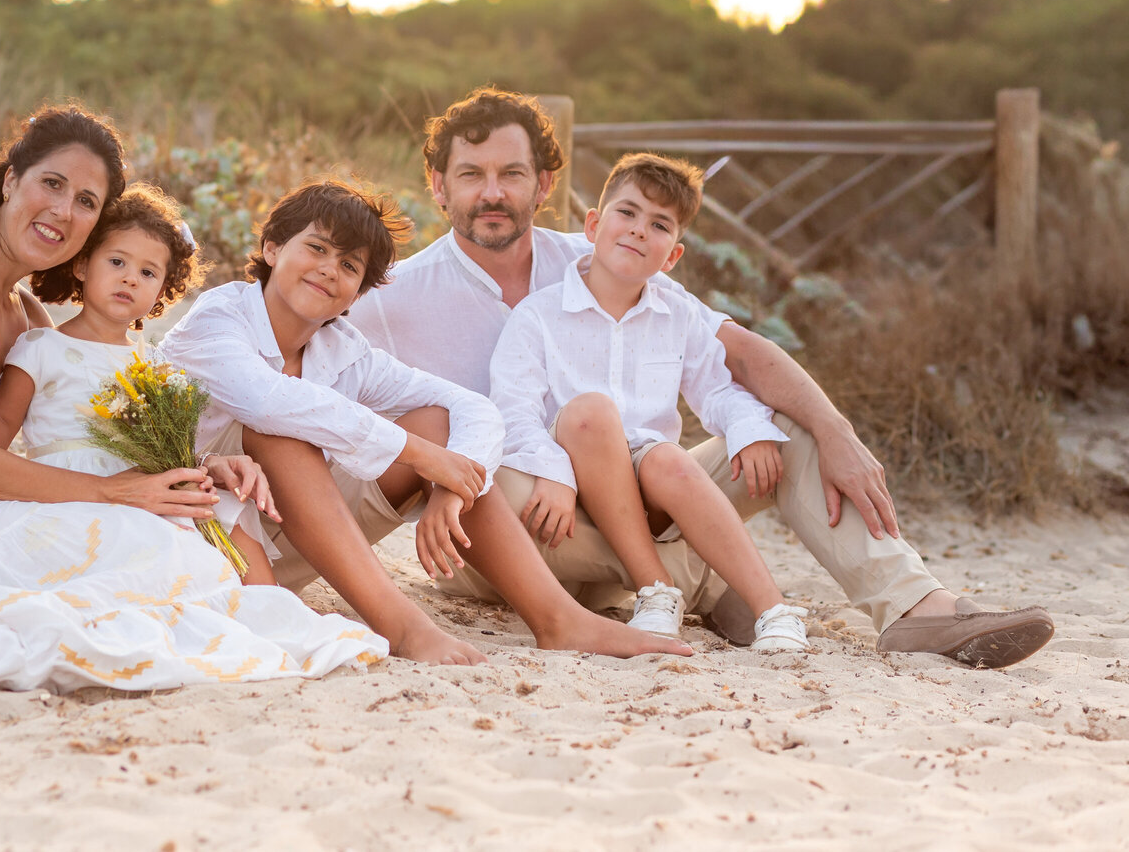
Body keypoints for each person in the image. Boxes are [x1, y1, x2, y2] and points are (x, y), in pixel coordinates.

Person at [348, 87, 1054, 668]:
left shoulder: (606, 252)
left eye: (512, 173)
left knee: (778, 425)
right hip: (526, 529)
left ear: (546, 185)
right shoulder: (391, 297)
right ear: (439, 187)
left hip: (636, 499)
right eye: (471, 175)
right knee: (480, 470)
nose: (492, 192)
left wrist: (834, 429)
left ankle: (911, 607)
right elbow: (302, 378)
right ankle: (702, 581)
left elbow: (737, 354)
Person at [0, 105, 386, 693]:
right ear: (11, 178)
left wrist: (196, 467)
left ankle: (250, 613)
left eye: (87, 202)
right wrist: (112, 492)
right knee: (131, 533)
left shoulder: (28, 316)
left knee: (162, 531)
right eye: (53, 184)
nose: (64, 211)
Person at [159, 179, 692, 665]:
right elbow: (269, 402)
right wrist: (417, 455)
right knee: (284, 431)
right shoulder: (218, 318)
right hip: (203, 540)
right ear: (273, 249)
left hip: (294, 542)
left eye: (350, 266)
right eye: (316, 249)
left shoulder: (343, 349)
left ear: (360, 290)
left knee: (435, 422)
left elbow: (471, 407)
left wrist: (451, 487)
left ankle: (558, 619)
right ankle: (405, 629)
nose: (329, 269)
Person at [493, 152, 808, 651]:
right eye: (628, 213)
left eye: (659, 224)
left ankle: (773, 608)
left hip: (649, 489)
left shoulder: (677, 314)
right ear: (593, 225)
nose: (639, 230)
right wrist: (551, 469)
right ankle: (656, 588)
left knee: (666, 457)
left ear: (673, 256)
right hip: (568, 486)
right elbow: (513, 412)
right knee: (592, 413)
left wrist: (748, 429)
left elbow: (720, 389)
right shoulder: (538, 316)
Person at [0, 182, 279, 585]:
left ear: (160, 293)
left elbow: (169, 447)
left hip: (143, 489)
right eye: (117, 262)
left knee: (218, 505)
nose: (130, 279)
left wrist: (203, 467)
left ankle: (264, 604)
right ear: (82, 265)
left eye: (148, 272)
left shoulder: (150, 362)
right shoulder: (41, 348)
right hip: (68, 494)